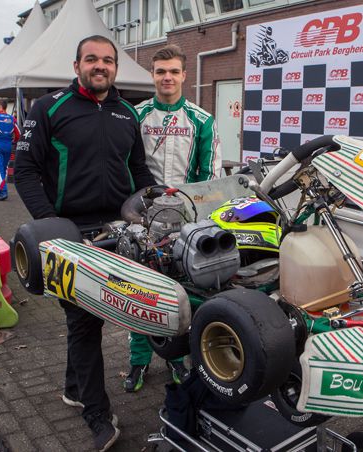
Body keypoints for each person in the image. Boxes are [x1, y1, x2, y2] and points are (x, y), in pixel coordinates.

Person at [15, 35, 156, 452]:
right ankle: (96, 413)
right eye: (91, 59)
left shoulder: (127, 112)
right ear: (76, 65)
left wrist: (156, 204)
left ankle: (74, 388)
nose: (100, 66)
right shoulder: (48, 107)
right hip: (69, 233)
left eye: (108, 60)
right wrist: (52, 225)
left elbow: (138, 171)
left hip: (119, 229)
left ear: (115, 68)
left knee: (98, 315)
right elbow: (24, 170)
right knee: (84, 321)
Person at [124, 45, 221, 393]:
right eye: (161, 71)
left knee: (182, 292)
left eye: (173, 71)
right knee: (139, 288)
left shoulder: (202, 120)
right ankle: (138, 360)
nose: (167, 77)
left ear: (184, 75)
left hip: (185, 221)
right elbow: (124, 166)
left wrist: (198, 217)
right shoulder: (135, 115)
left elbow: (210, 177)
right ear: (152, 75)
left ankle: (176, 357)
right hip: (142, 218)